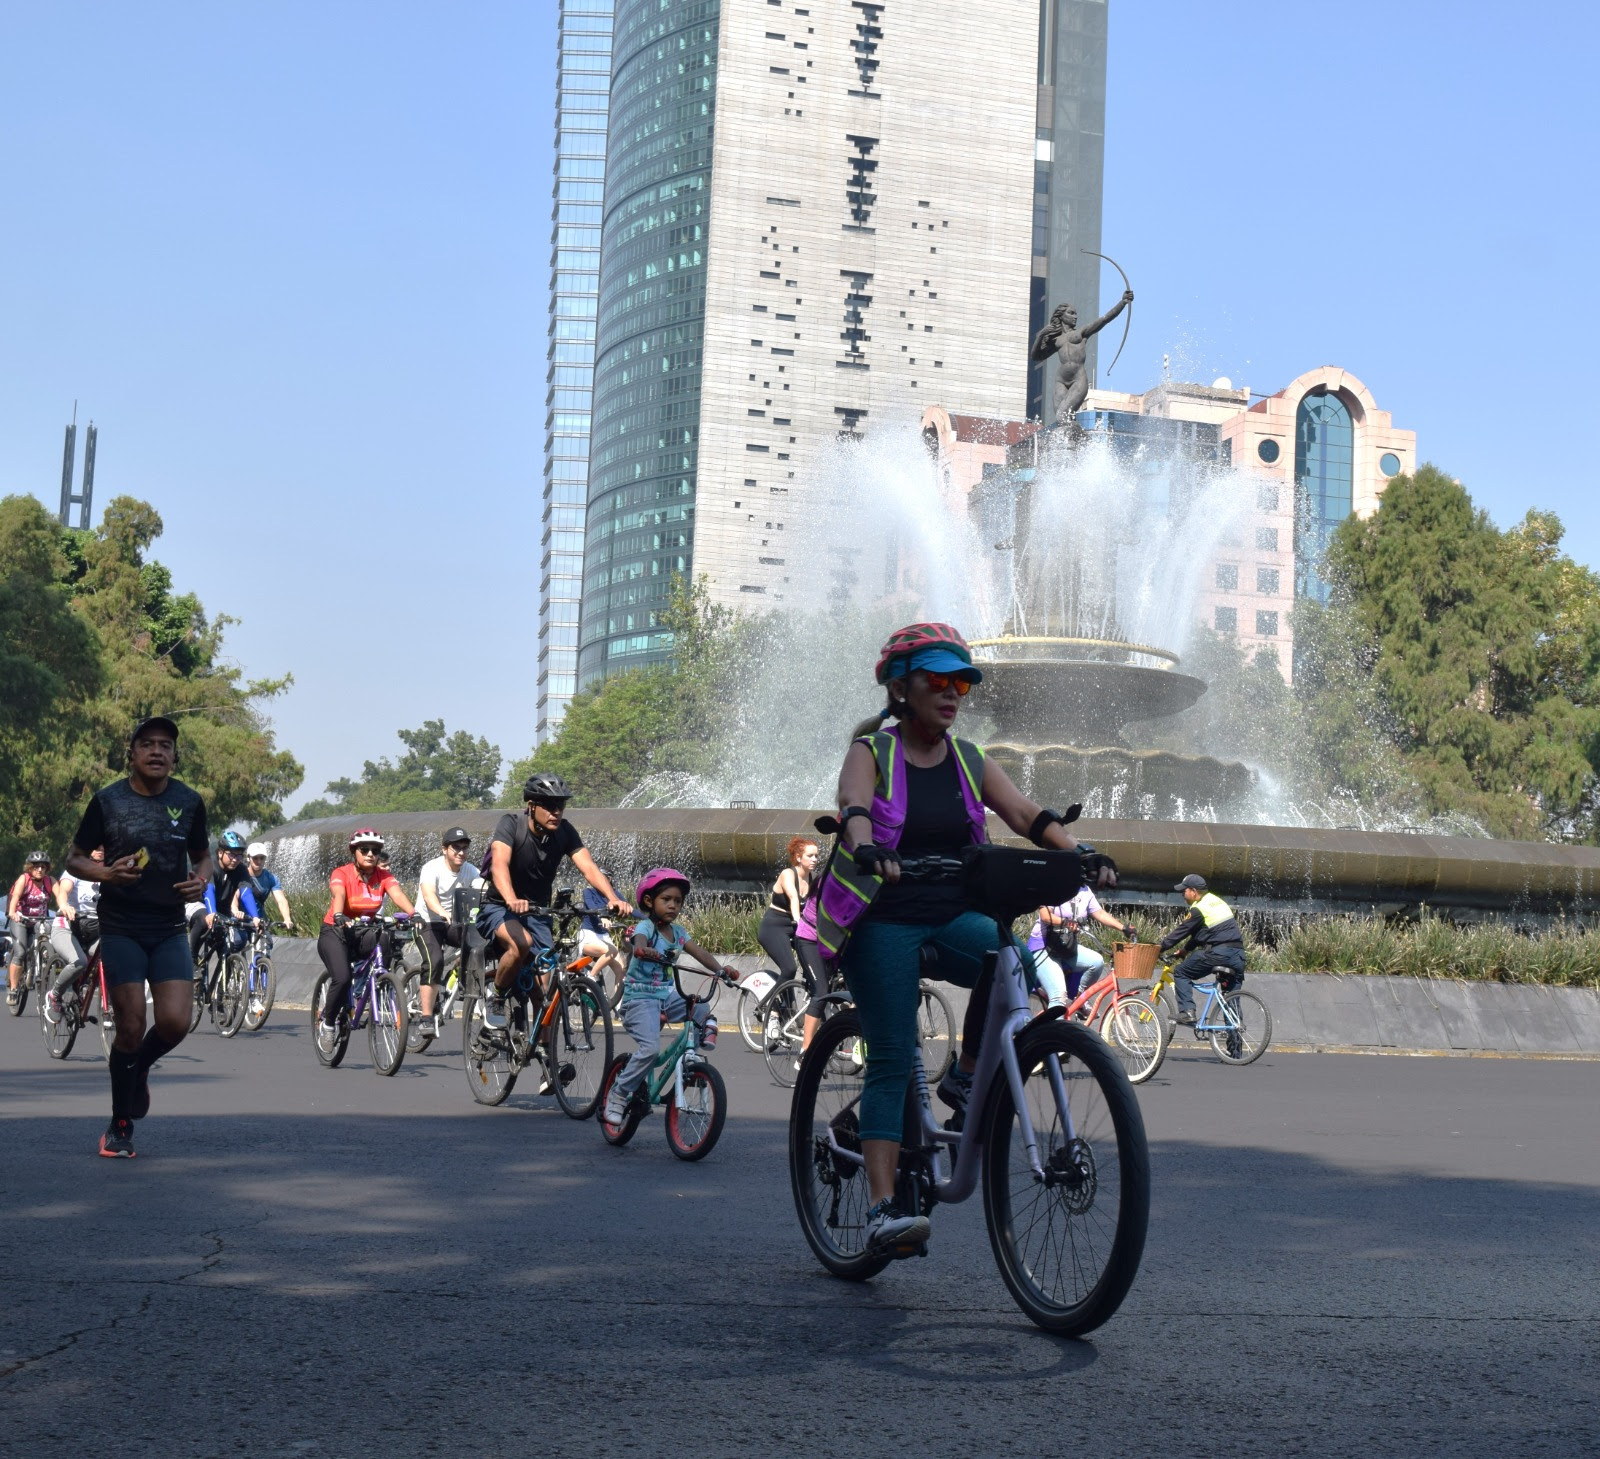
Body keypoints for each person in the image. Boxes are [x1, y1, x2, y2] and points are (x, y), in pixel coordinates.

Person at [817, 622, 1114, 1254]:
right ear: (903, 688)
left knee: (1009, 959)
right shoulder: (873, 751)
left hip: (951, 912)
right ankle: (880, 1209)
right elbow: (854, 807)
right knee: (892, 1055)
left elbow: (1026, 814)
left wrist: (1079, 852)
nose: (953, 693)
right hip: (883, 916)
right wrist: (866, 847)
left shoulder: (969, 760)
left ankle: (967, 1076)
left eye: (963, 683)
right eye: (939, 681)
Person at [65, 715, 213, 1158]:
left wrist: (201, 881)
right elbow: (74, 858)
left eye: (165, 745)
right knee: (130, 1025)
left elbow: (203, 857)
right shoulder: (107, 801)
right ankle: (119, 1125)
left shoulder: (189, 801)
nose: (156, 751)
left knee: (175, 1023)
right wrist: (106, 873)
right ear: (131, 754)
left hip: (168, 926)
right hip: (121, 926)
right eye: (147, 744)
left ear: (174, 756)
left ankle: (139, 1068)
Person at [476, 772, 630, 1031]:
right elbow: (499, 864)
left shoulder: (565, 831)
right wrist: (511, 898)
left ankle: (545, 1051)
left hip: (537, 912)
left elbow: (589, 868)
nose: (556, 812)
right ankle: (498, 998)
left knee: (544, 991)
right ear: (531, 806)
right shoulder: (511, 824)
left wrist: (613, 898)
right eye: (548, 806)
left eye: (560, 805)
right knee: (521, 943)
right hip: (500, 907)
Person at [602, 868, 736, 1126]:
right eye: (666, 899)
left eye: (678, 901)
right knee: (650, 1050)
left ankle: (695, 1048)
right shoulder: (646, 926)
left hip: (665, 996)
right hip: (639, 999)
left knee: (700, 1007)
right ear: (649, 901)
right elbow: (638, 941)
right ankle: (618, 1094)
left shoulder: (679, 933)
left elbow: (700, 953)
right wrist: (643, 950)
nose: (673, 905)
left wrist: (721, 970)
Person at [316, 829, 415, 1051]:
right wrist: (339, 914)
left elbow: (398, 895)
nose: (370, 854)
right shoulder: (342, 873)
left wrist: (414, 914)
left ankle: (380, 982)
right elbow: (339, 894)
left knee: (385, 937)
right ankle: (328, 1024)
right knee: (342, 978)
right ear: (355, 852)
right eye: (365, 850)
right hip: (335, 931)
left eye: (375, 850)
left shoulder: (384, 876)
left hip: (362, 931)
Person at [757, 837, 828, 1062]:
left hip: (799, 929)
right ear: (798, 857)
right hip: (775, 927)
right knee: (788, 968)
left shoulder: (814, 878)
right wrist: (798, 920)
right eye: (810, 855)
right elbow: (793, 898)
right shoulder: (788, 874)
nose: (815, 859)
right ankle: (770, 1009)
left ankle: (799, 1014)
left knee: (813, 972)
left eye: (817, 855)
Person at [413, 826, 480, 1037]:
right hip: (428, 922)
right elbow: (429, 895)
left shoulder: (471, 870)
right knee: (435, 961)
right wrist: (442, 912)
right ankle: (426, 1018)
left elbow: (483, 889)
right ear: (444, 849)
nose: (461, 852)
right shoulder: (431, 868)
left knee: (477, 945)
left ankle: (456, 979)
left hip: (453, 923)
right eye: (456, 848)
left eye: (465, 848)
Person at [1027, 885, 1134, 1011]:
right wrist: (1065, 922)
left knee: (1096, 962)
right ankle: (1056, 1023)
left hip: (1065, 946)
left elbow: (1099, 913)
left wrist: (1123, 928)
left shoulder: (1084, 890)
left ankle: (1080, 1000)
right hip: (1043, 947)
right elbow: (1045, 915)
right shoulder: (1056, 883)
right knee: (1058, 996)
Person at [1158, 873, 1246, 1024]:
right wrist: (1185, 950)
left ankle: (1187, 1012)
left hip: (1219, 954)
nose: (1182, 894)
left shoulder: (1199, 908)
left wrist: (1159, 948)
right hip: (1238, 956)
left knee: (1181, 972)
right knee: (1230, 999)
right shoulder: (1217, 902)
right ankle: (1235, 1036)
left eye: (1184, 891)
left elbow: (1181, 931)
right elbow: (1205, 932)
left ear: (1193, 891)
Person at [45, 848, 105, 1021]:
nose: (100, 850)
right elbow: (63, 891)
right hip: (67, 926)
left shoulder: (110, 872)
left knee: (114, 958)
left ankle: (107, 1003)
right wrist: (64, 906)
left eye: (103, 846)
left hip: (96, 929)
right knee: (79, 963)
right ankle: (55, 995)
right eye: (96, 847)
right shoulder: (76, 869)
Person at [188, 830, 255, 967]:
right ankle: (191, 959)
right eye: (231, 855)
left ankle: (225, 973)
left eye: (239, 856)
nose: (235, 859)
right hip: (198, 903)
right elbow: (209, 891)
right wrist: (212, 913)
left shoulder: (241, 870)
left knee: (236, 940)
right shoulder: (211, 866)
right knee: (204, 918)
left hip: (222, 911)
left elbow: (246, 893)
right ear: (220, 852)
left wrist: (255, 917)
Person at [6, 850, 56, 1011]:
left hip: (40, 921)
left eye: (43, 867)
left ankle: (38, 966)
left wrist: (65, 907)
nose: (39, 870)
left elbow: (61, 896)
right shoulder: (24, 879)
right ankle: (14, 989)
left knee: (48, 945)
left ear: (47, 868)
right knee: (20, 953)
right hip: (21, 919)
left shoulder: (50, 881)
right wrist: (12, 912)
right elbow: (15, 896)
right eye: (36, 867)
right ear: (29, 868)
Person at [577, 870, 627, 1002]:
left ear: (609, 879)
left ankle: (618, 1006)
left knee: (621, 970)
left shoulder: (614, 894)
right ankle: (591, 977)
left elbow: (629, 908)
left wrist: (648, 920)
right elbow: (591, 907)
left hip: (604, 937)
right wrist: (602, 917)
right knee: (612, 950)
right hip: (588, 935)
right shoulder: (588, 892)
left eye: (602, 877)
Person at [241, 843, 296, 932]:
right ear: (248, 858)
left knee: (267, 940)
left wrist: (287, 919)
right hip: (241, 921)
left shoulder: (271, 878)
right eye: (255, 858)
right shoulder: (241, 876)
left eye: (262, 858)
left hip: (260, 921)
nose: (259, 861)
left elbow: (281, 900)